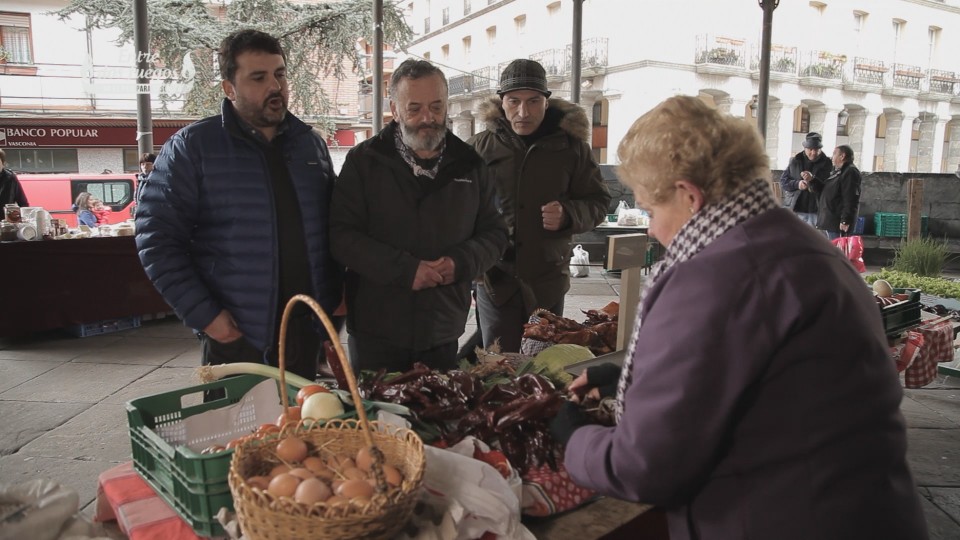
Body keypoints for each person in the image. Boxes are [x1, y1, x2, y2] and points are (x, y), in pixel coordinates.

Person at [550, 96, 928, 540]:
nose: (650, 229)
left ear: (690, 196)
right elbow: (764, 379)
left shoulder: (711, 278)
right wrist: (640, 377)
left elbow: (646, 468)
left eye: (651, 211)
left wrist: (573, 436)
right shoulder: (805, 245)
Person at [135, 29, 343, 383]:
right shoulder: (193, 148)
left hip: (304, 330)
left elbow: (333, 229)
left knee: (302, 434)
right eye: (258, 77)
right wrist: (205, 316)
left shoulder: (310, 145)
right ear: (229, 88)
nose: (275, 86)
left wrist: (336, 299)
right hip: (237, 338)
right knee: (237, 438)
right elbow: (156, 239)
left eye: (280, 74)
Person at [330, 59, 507, 373]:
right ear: (394, 109)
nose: (428, 118)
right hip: (376, 330)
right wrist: (405, 270)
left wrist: (460, 263)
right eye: (414, 109)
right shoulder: (364, 162)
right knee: (376, 418)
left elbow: (495, 234)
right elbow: (342, 236)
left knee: (434, 418)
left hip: (441, 329)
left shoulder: (470, 163)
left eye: (437, 107)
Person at [468, 58, 610, 352]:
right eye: (514, 101)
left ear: (546, 102)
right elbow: (457, 210)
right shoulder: (477, 148)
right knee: (498, 364)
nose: (523, 112)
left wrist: (569, 214)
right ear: (501, 103)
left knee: (543, 361)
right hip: (495, 281)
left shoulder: (573, 149)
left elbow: (599, 201)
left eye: (533, 101)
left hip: (547, 281)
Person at [779, 131, 832, 226]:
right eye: (810, 149)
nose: (813, 153)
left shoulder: (828, 163)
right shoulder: (795, 161)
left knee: (811, 239)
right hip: (794, 208)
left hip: (816, 210)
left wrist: (812, 180)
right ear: (805, 148)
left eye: (817, 149)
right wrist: (797, 184)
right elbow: (784, 181)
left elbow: (829, 187)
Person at [811, 144, 862, 240]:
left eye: (834, 154)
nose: (832, 157)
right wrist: (812, 180)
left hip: (836, 223)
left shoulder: (850, 172)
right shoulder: (838, 171)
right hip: (830, 221)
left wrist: (845, 220)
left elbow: (850, 198)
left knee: (836, 251)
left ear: (842, 156)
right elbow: (826, 190)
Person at [132, 152, 157, 218]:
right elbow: (137, 200)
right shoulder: (140, 180)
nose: (145, 167)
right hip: (141, 215)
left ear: (154, 165)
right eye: (143, 164)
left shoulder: (158, 179)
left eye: (148, 164)